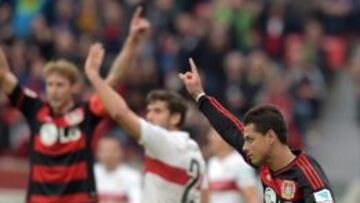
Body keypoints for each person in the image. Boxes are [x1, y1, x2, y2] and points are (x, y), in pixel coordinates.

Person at [0, 7, 150, 203]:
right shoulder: (35, 109)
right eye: (50, 84)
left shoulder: (86, 113)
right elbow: (3, 75)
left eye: (60, 85)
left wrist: (132, 42)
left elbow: (113, 80)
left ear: (74, 87)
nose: (53, 90)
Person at [179, 58, 335, 203]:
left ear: (270, 136)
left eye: (250, 140)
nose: (245, 147)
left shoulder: (306, 173)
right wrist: (199, 95)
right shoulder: (264, 163)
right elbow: (230, 128)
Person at [85, 45, 207, 203]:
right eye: (149, 111)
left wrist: (95, 77)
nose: (149, 117)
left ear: (176, 118)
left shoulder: (164, 141)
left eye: (157, 111)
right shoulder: (195, 151)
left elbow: (119, 113)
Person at [207, 128, 262, 203]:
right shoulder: (211, 164)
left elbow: (252, 197)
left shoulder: (239, 163)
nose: (209, 138)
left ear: (224, 138)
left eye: (214, 135)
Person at [95, 136, 142, 203]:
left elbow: (137, 200)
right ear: (97, 153)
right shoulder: (90, 174)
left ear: (121, 152)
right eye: (104, 151)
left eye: (112, 150)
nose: (108, 155)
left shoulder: (132, 176)